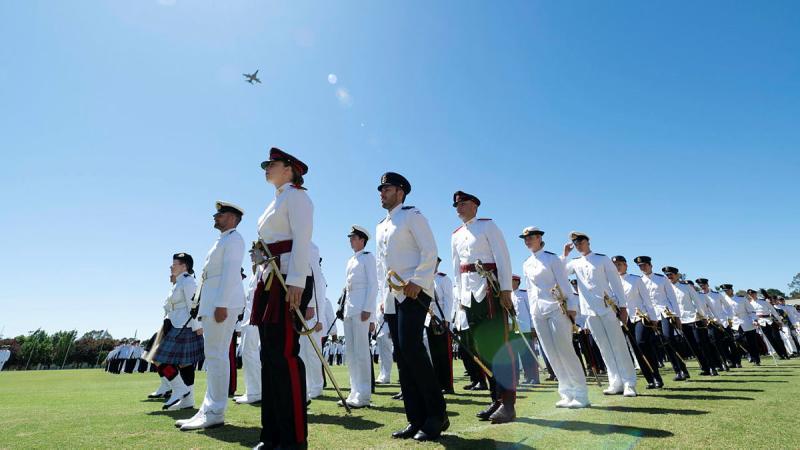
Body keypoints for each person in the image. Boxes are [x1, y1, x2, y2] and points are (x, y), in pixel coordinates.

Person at [250, 148, 314, 450]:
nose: (266, 168)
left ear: (289, 168)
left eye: (271, 164)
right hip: (269, 279)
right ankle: (272, 434)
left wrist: (297, 282)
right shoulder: (274, 201)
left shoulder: (297, 196)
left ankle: (293, 438)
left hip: (289, 278)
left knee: (285, 356)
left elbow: (302, 239)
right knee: (269, 358)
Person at [376, 172, 447, 441]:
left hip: (414, 292)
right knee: (403, 357)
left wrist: (418, 280)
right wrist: (382, 300)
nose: (382, 192)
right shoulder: (381, 224)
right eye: (380, 189)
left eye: (387, 188)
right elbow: (382, 266)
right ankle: (415, 418)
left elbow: (429, 250)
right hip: (393, 297)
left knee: (413, 350)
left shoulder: (412, 215)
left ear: (401, 191)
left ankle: (437, 414)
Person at [177, 201, 245, 431]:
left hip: (221, 303)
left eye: (220, 214)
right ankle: (207, 408)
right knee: (213, 357)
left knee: (217, 356)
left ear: (233, 218)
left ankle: (216, 410)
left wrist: (222, 304)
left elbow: (230, 273)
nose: (215, 216)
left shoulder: (234, 239)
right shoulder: (223, 240)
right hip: (212, 302)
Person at [451, 191, 517, 423]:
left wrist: (506, 290)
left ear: (475, 206)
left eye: (463, 203)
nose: (459, 207)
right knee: (482, 349)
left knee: (498, 347)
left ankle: (508, 404)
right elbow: (456, 269)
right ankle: (495, 399)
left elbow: (503, 257)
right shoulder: (456, 235)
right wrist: (459, 300)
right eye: (456, 205)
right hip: (469, 296)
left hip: (490, 291)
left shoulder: (488, 226)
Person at [521, 226, 589, 408]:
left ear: (539, 238)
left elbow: (564, 283)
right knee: (551, 353)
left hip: (556, 307)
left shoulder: (552, 259)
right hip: (538, 311)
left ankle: (581, 394)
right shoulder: (526, 263)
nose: (527, 241)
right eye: (525, 238)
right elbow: (529, 290)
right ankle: (566, 392)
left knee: (565, 349)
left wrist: (572, 307)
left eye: (530, 237)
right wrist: (531, 314)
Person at [563, 231, 637, 397]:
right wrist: (565, 254)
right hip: (590, 311)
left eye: (581, 241)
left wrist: (623, 307)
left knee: (618, 345)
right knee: (604, 347)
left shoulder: (602, 259)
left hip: (607, 306)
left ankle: (629, 382)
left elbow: (615, 282)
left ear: (588, 241)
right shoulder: (574, 262)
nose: (578, 245)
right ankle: (615, 382)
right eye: (575, 243)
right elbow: (561, 272)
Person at [147, 253, 203, 410]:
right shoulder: (178, 283)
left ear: (184, 266)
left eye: (174, 264)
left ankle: (180, 390)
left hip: (183, 326)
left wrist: (197, 326)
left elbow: (194, 305)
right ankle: (186, 396)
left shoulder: (188, 281)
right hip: (173, 324)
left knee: (158, 356)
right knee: (178, 362)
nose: (171, 266)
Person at [612, 256, 663, 389]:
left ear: (625, 265)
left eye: (620, 264)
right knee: (635, 348)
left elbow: (647, 300)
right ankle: (650, 380)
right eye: (615, 265)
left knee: (642, 343)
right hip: (624, 320)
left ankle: (656, 376)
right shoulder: (612, 283)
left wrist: (653, 318)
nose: (617, 267)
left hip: (639, 316)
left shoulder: (635, 280)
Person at [340, 225, 378, 408]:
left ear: (362, 240)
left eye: (354, 237)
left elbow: (373, 285)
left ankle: (363, 395)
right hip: (349, 309)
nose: (350, 240)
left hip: (361, 309)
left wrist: (368, 310)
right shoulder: (350, 260)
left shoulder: (368, 257)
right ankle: (354, 392)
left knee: (362, 353)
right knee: (351, 353)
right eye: (350, 238)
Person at [634, 256, 688, 380]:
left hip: (665, 312)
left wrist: (677, 316)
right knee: (658, 343)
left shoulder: (661, 279)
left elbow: (672, 298)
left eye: (645, 265)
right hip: (649, 315)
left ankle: (681, 369)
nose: (643, 268)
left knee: (669, 339)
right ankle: (661, 372)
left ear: (650, 265)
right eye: (640, 266)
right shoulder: (639, 281)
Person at [662, 266, 718, 376]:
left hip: (693, 319)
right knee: (692, 346)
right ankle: (704, 367)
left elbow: (697, 302)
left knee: (701, 344)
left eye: (671, 274)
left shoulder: (686, 287)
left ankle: (712, 367)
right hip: (678, 321)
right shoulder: (665, 289)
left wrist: (703, 316)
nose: (669, 277)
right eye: (667, 275)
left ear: (677, 275)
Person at [234, 245, 263, 404]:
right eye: (251, 252)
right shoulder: (256, 271)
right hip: (249, 317)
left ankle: (255, 392)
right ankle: (253, 390)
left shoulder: (263, 270)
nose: (251, 255)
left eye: (255, 252)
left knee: (250, 352)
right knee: (247, 353)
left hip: (256, 318)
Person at [428, 258, 455, 394]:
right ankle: (438, 383)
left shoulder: (443, 279)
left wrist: (447, 319)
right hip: (428, 320)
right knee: (434, 354)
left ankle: (448, 385)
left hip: (440, 319)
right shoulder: (424, 279)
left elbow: (449, 300)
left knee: (444, 354)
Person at [721, 284, 760, 365]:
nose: (726, 292)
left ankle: (756, 359)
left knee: (752, 342)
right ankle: (744, 357)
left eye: (728, 290)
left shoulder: (741, 299)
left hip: (746, 321)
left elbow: (751, 310)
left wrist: (754, 319)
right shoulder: (723, 300)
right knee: (738, 342)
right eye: (724, 291)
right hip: (734, 324)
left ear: (732, 290)